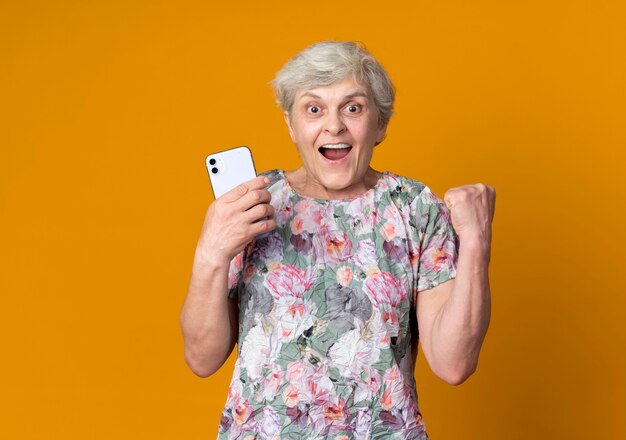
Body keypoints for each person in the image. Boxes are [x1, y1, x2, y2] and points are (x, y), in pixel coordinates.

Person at [180, 41, 495, 439]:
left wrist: (477, 241)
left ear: (379, 124)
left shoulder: (415, 208)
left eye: (352, 107)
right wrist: (211, 253)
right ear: (291, 125)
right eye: (314, 109)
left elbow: (455, 364)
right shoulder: (253, 206)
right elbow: (202, 358)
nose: (333, 126)